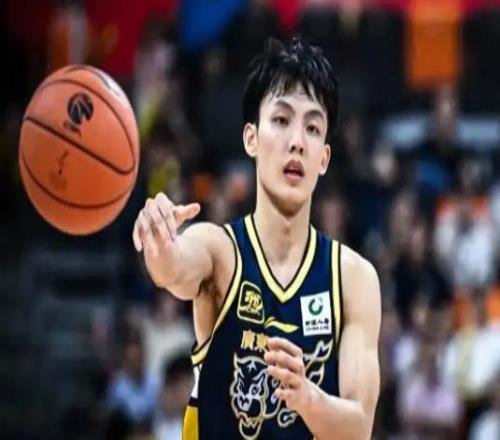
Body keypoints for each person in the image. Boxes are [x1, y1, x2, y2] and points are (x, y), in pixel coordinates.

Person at [132, 37, 381, 439]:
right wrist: (159, 241)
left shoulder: (354, 279)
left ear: (324, 158)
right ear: (251, 138)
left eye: (312, 128)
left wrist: (306, 398)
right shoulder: (220, 251)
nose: (297, 141)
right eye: (281, 120)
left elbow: (359, 428)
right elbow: (173, 269)